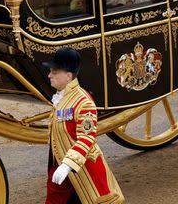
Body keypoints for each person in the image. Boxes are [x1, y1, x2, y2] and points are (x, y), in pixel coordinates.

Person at [44, 47, 124, 204]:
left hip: (82, 168)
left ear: (68, 76)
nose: (49, 75)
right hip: (62, 167)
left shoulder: (83, 102)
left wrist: (67, 165)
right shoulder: (62, 97)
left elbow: (87, 138)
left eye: (54, 72)